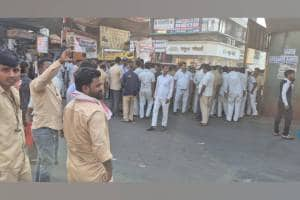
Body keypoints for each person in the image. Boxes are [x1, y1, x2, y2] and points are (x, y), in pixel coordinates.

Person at [63, 67, 113, 182]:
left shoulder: (69, 106)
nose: (102, 88)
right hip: (93, 173)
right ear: (85, 88)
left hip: (73, 168)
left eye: (101, 85)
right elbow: (101, 148)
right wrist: (109, 172)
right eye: (97, 86)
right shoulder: (95, 112)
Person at [30, 49, 71, 182]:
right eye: (47, 68)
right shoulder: (37, 83)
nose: (52, 70)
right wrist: (59, 61)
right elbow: (46, 77)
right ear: (41, 70)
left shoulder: (53, 84)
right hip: (44, 128)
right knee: (47, 165)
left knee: (43, 162)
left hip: (50, 127)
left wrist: (61, 127)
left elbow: (56, 108)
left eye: (51, 67)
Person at [0, 49, 32, 182]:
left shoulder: (14, 91)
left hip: (21, 159)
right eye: (5, 70)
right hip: (4, 167)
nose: (12, 75)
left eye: (15, 70)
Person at [147, 65, 174, 132]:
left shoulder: (171, 78)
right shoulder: (159, 77)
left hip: (165, 98)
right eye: (164, 68)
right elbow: (157, 87)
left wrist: (169, 97)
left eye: (167, 69)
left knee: (165, 112)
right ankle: (153, 125)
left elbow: (171, 88)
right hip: (158, 97)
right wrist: (155, 95)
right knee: (155, 111)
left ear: (168, 70)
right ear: (162, 69)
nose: (165, 70)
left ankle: (164, 125)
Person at [273, 70, 296, 140]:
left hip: (280, 102)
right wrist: (286, 104)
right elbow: (283, 94)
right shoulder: (286, 83)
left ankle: (275, 131)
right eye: (293, 74)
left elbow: (289, 89)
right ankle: (285, 134)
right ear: (289, 75)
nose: (294, 76)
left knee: (278, 116)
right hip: (285, 102)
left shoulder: (286, 82)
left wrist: (292, 83)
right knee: (289, 118)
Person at [19, 62, 32, 126]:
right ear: (26, 69)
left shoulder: (14, 80)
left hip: (16, 107)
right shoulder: (29, 81)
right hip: (26, 107)